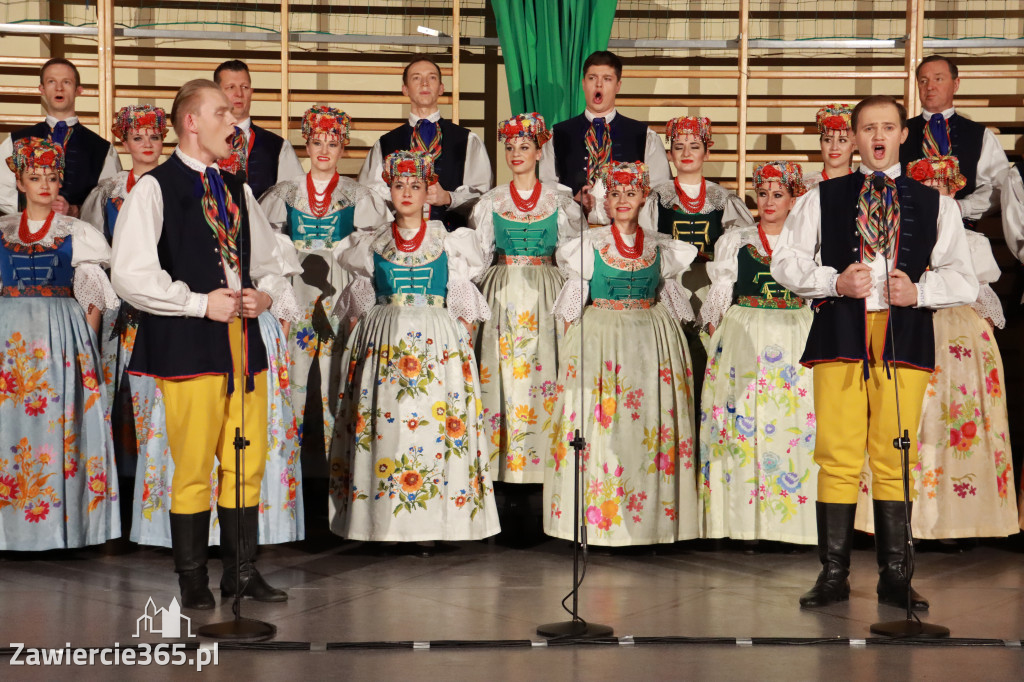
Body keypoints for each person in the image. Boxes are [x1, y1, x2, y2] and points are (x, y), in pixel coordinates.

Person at [771, 95, 978, 610]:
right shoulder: (823, 196)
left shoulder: (936, 203)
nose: (878, 137)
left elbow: (964, 277)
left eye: (888, 127)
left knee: (894, 455)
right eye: (867, 129)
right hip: (841, 335)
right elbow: (786, 262)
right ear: (855, 137)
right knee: (837, 455)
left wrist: (921, 292)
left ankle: (895, 576)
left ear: (903, 134)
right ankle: (833, 573)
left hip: (903, 338)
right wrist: (832, 280)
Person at [111, 79, 299, 609]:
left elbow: (269, 262)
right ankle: (192, 578)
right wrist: (198, 303)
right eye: (221, 112)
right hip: (189, 346)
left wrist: (264, 296)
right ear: (191, 122)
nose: (233, 121)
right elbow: (130, 274)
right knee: (194, 464)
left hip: (242, 344)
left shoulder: (233, 187)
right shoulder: (156, 186)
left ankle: (240, 571)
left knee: (247, 461)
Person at [328, 150, 500, 546]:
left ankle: (435, 524)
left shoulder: (450, 241)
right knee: (387, 426)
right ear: (389, 190)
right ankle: (382, 521)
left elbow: (464, 303)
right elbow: (356, 305)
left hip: (437, 343)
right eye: (399, 185)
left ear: (428, 191)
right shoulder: (372, 243)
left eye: (415, 186)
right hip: (386, 342)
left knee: (433, 427)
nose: (407, 192)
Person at [854, 155, 1018, 540]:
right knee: (904, 419)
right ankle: (898, 522)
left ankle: (953, 520)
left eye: (940, 188)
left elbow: (984, 298)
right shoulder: (892, 236)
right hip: (907, 325)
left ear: (952, 193)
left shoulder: (972, 240)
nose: (932, 195)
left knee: (952, 419)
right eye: (925, 188)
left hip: (955, 333)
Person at [545, 161, 698, 547]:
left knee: (645, 426)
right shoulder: (588, 247)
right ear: (606, 201)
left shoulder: (662, 247)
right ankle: (599, 524)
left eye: (631, 193)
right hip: (603, 341)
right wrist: (572, 361)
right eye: (615, 194)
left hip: (649, 340)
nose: (623, 200)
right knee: (604, 425)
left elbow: (673, 302)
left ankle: (649, 525)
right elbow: (569, 311)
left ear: (644, 196)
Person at [0, 137, 120, 550]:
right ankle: (11, 530)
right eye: (35, 178)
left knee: (58, 427)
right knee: (11, 429)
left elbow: (92, 298)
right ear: (20, 180)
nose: (45, 185)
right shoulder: (2, 231)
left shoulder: (77, 233)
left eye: (51, 177)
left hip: (60, 338)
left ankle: (60, 529)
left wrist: (82, 346)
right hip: (11, 343)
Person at [261, 105, 390, 460]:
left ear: (343, 148)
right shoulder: (283, 193)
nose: (323, 150)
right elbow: (267, 246)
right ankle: (285, 472)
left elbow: (375, 248)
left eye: (332, 144)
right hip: (296, 287)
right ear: (306, 144)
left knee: (341, 375)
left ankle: (343, 474)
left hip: (341, 288)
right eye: (317, 142)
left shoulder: (358, 195)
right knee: (291, 378)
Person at [698, 161, 817, 546]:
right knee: (742, 421)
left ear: (793, 198)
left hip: (793, 333)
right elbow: (721, 290)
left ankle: (793, 526)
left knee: (792, 425)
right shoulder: (736, 239)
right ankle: (743, 524)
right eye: (763, 194)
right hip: (745, 332)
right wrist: (715, 325)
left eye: (778, 195)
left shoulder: (807, 241)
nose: (768, 201)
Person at [470, 113, 582, 487]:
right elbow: (478, 257)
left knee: (543, 374)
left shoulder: (560, 202)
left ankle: (543, 469)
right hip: (501, 293)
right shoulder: (491, 202)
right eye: (511, 147)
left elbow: (572, 261)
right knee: (501, 377)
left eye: (525, 147)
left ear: (539, 151)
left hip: (545, 293)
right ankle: (501, 472)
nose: (516, 153)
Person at [80, 105, 168, 502]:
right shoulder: (108, 191)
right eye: (138, 137)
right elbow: (94, 252)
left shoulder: (175, 183)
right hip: (120, 305)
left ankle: (160, 487)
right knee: (117, 389)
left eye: (153, 136)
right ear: (124, 141)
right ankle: (119, 488)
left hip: (166, 300)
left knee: (161, 390)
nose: (147, 144)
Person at [642, 115, 755, 411]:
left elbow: (739, 248)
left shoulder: (722, 198)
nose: (687, 153)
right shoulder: (658, 198)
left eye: (694, 146)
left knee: (709, 358)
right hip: (670, 289)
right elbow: (647, 244)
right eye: (679, 147)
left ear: (708, 151)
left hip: (708, 288)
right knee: (673, 358)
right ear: (669, 154)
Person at [357, 55, 491, 230]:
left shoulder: (467, 140)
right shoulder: (385, 144)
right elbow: (370, 196)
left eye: (432, 77)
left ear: (441, 88)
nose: (425, 83)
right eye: (416, 78)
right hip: (402, 242)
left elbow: (483, 195)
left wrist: (449, 198)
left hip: (452, 242)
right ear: (405, 89)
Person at [540, 50, 672, 217]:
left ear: (618, 86)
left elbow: (658, 191)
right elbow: (547, 188)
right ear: (583, 83)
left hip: (626, 236)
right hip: (574, 234)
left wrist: (626, 206)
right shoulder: (558, 135)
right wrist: (572, 202)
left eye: (607, 79)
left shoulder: (644, 136)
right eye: (592, 78)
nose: (599, 85)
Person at [0, 58, 121, 217]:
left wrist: (74, 210)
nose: (59, 88)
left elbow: (108, 203)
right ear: (42, 88)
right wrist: (36, 209)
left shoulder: (103, 150)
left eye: (66, 82)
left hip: (78, 237)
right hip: (24, 234)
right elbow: (2, 190)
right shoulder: (14, 141)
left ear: (79, 90)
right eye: (51, 82)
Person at [899, 55, 1009, 228]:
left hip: (961, 231)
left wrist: (961, 207)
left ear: (956, 84)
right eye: (923, 81)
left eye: (938, 79)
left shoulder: (980, 135)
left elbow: (998, 187)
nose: (930, 87)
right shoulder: (899, 132)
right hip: (906, 231)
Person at [214, 59, 305, 199]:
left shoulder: (278, 147)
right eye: (231, 87)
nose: (239, 93)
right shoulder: (200, 143)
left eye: (244, 87)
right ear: (216, 93)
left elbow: (295, 199)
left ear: (251, 92)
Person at [803, 104, 855, 190]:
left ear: (853, 145)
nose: (834, 147)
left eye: (842, 140)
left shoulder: (865, 186)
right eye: (828, 140)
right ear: (821, 144)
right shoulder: (805, 187)